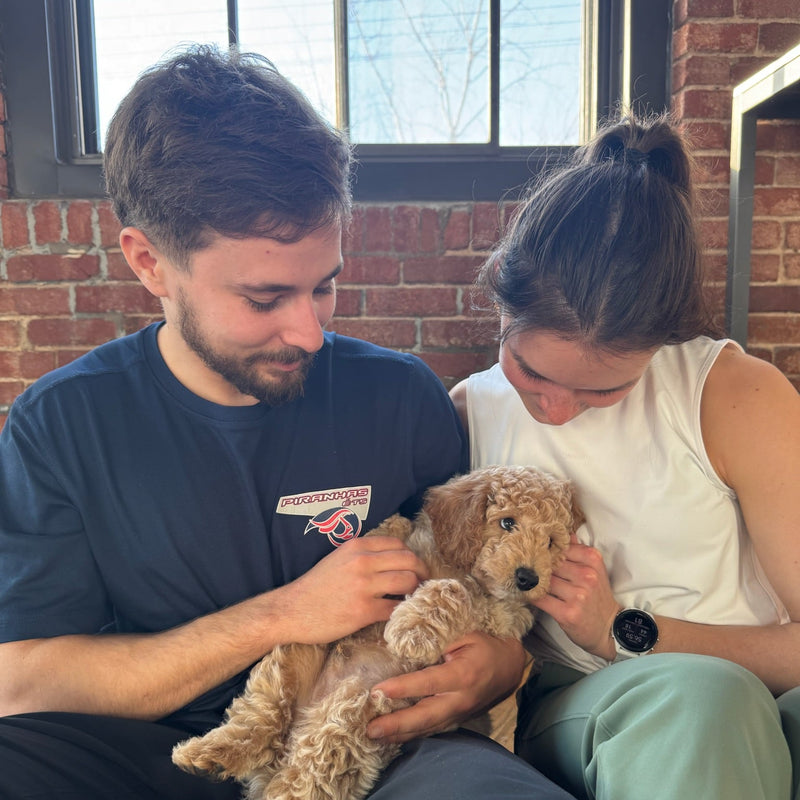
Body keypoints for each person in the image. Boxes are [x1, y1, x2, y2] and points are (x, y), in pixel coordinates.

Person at [0, 45, 575, 800]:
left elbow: (489, 591)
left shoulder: (399, 397)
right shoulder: (62, 425)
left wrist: (502, 667)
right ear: (149, 264)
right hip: (151, 749)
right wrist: (284, 615)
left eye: (325, 285)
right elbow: (21, 680)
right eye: (266, 299)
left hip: (375, 741)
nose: (310, 332)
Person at [450, 112, 800, 800]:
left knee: (729, 702)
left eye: (603, 389)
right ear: (500, 298)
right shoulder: (465, 413)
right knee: (704, 704)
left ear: (661, 343)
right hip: (599, 705)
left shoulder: (732, 397)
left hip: (762, 687)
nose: (552, 408)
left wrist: (624, 630)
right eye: (529, 368)